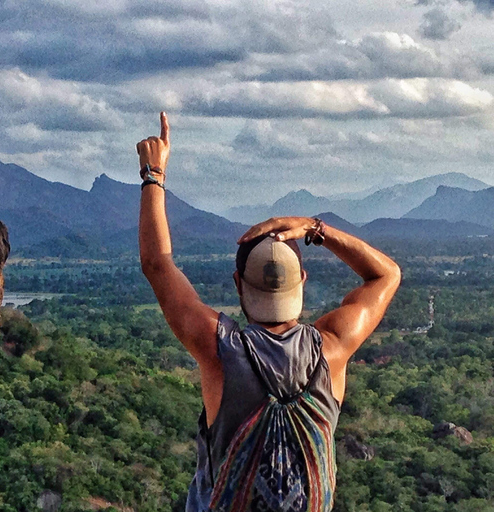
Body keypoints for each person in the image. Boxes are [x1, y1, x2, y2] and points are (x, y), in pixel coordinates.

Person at [136, 112, 401, 511]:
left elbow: (158, 264)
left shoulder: (221, 350)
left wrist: (153, 174)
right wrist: (315, 228)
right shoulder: (331, 349)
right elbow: (386, 275)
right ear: (303, 280)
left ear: (238, 284)